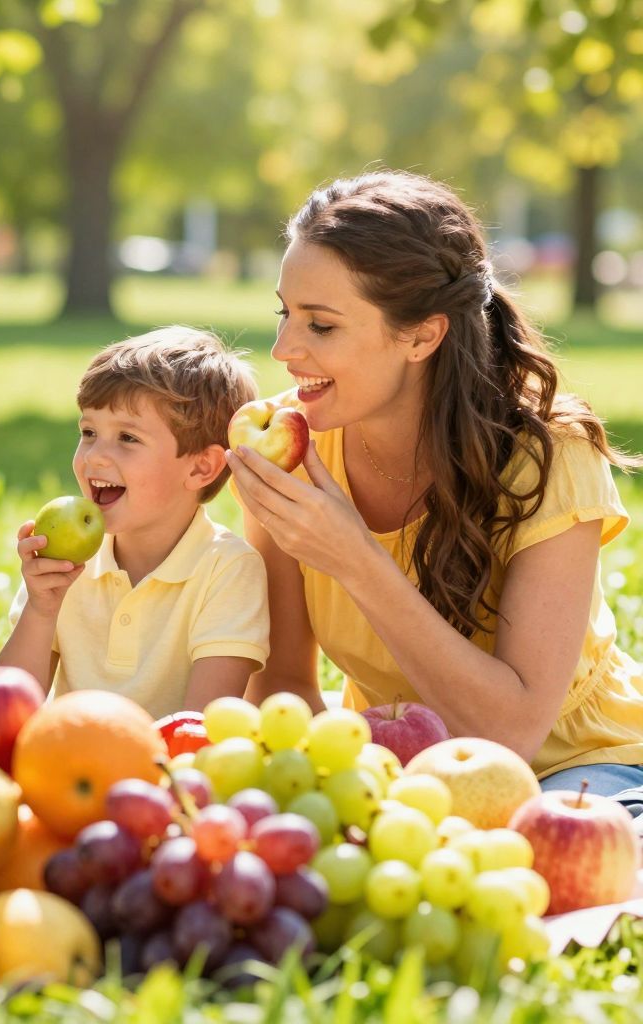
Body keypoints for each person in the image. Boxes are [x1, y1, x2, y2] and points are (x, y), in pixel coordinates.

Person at [231, 170, 643, 815]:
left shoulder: (548, 454)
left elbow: (510, 734)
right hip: (402, 776)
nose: (284, 349)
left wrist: (355, 558)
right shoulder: (290, 449)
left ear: (422, 335)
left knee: (533, 850)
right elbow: (283, 685)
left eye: (322, 326)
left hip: (576, 770)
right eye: (286, 314)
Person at [0, 328, 269, 715]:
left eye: (127, 438)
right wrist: (41, 610)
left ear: (200, 468)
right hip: (69, 748)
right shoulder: (67, 563)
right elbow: (8, 710)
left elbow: (201, 728)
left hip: (168, 755)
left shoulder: (227, 570)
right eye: (89, 432)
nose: (94, 456)